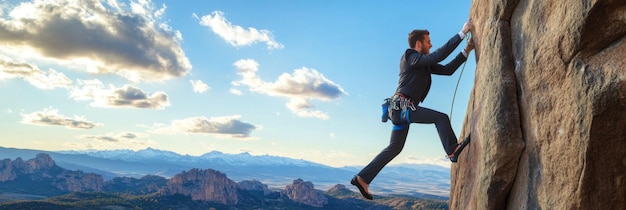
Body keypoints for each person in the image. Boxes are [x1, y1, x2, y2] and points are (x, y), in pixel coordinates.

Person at [351, 21, 475, 200]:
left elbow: (447, 70)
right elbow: (437, 56)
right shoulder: (410, 56)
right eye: (428, 41)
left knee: (395, 148)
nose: (431, 44)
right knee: (441, 118)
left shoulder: (422, 63)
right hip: (402, 107)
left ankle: (362, 178)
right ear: (419, 43)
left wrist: (466, 51)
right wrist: (462, 33)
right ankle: (452, 150)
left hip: (400, 110)